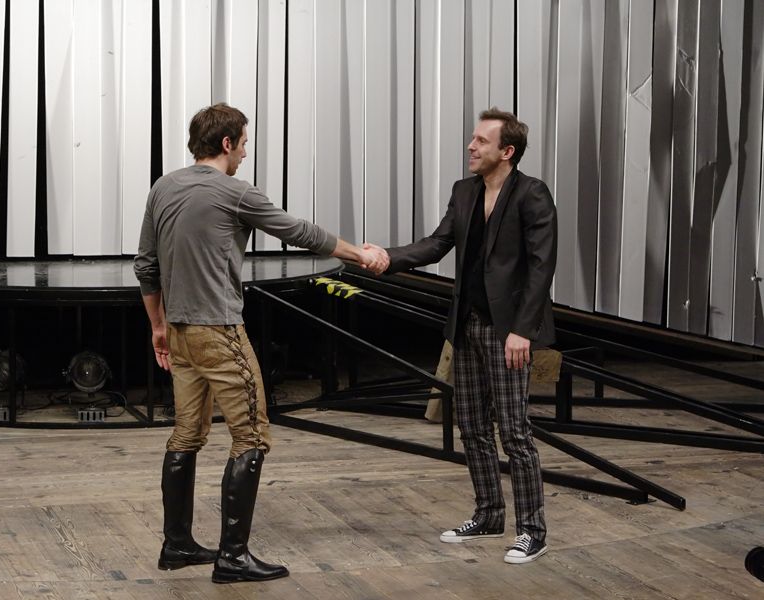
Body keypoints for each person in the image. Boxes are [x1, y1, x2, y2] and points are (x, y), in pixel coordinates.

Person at [134, 103, 383, 583]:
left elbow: (146, 265)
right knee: (251, 436)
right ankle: (233, 558)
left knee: (186, 435)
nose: (245, 153)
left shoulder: (163, 187)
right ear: (227, 143)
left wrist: (158, 326)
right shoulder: (235, 192)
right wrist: (359, 254)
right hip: (219, 332)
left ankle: (176, 544)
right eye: (244, 144)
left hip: (180, 331)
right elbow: (299, 231)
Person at [365, 108, 557, 564]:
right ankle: (489, 514)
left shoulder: (531, 194)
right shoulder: (465, 190)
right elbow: (437, 244)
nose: (471, 146)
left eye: (481, 141)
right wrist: (386, 256)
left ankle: (533, 530)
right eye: (473, 139)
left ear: (506, 151)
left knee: (514, 432)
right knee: (471, 425)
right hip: (466, 325)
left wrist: (522, 330)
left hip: (507, 331)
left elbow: (541, 266)